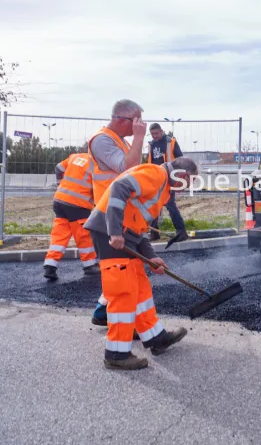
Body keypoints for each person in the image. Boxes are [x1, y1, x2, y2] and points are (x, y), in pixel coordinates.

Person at [84, 156, 198, 370]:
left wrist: (150, 256)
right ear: (182, 175)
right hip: (111, 235)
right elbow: (118, 187)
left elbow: (140, 226)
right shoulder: (156, 174)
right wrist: (115, 231)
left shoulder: (162, 189)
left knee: (140, 288)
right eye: (187, 183)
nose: (185, 189)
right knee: (123, 292)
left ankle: (156, 338)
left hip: (128, 237)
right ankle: (116, 354)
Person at [88, 99, 148, 326]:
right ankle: (122, 325)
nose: (139, 125)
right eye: (136, 121)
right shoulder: (102, 140)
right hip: (109, 215)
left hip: (121, 213)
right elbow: (128, 168)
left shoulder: (120, 141)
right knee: (121, 271)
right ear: (120, 119)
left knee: (123, 270)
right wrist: (140, 138)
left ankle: (103, 312)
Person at [43, 152, 99, 280]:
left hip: (60, 200)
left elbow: (58, 168)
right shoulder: (97, 164)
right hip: (78, 205)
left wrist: (59, 184)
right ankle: (89, 265)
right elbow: (98, 188)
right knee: (83, 235)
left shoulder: (75, 157)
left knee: (60, 234)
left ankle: (50, 265)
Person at [146, 123, 190, 243]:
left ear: (161, 131)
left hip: (169, 178)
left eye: (156, 133)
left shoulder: (171, 143)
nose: (154, 136)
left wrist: (179, 178)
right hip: (155, 178)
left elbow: (181, 159)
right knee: (154, 205)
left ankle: (181, 232)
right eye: (152, 134)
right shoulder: (151, 145)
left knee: (170, 205)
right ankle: (154, 232)